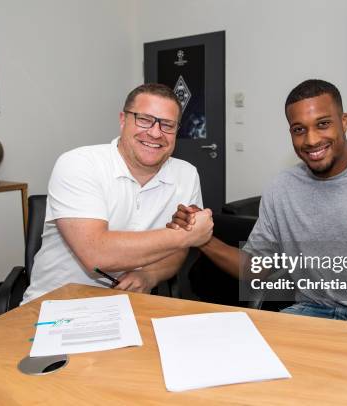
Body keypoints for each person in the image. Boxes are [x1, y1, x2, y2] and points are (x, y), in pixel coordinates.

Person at [169, 79, 347, 329]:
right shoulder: (282, 188)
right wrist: (202, 239)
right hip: (310, 314)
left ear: (345, 122)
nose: (311, 139)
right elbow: (255, 268)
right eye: (299, 129)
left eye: (323, 124)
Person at [22, 83, 213, 304]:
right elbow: (96, 254)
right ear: (123, 120)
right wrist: (186, 236)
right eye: (144, 119)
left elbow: (177, 251)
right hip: (57, 304)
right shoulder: (79, 164)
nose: (155, 132)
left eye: (167, 125)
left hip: (133, 306)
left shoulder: (187, 174)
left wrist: (149, 275)